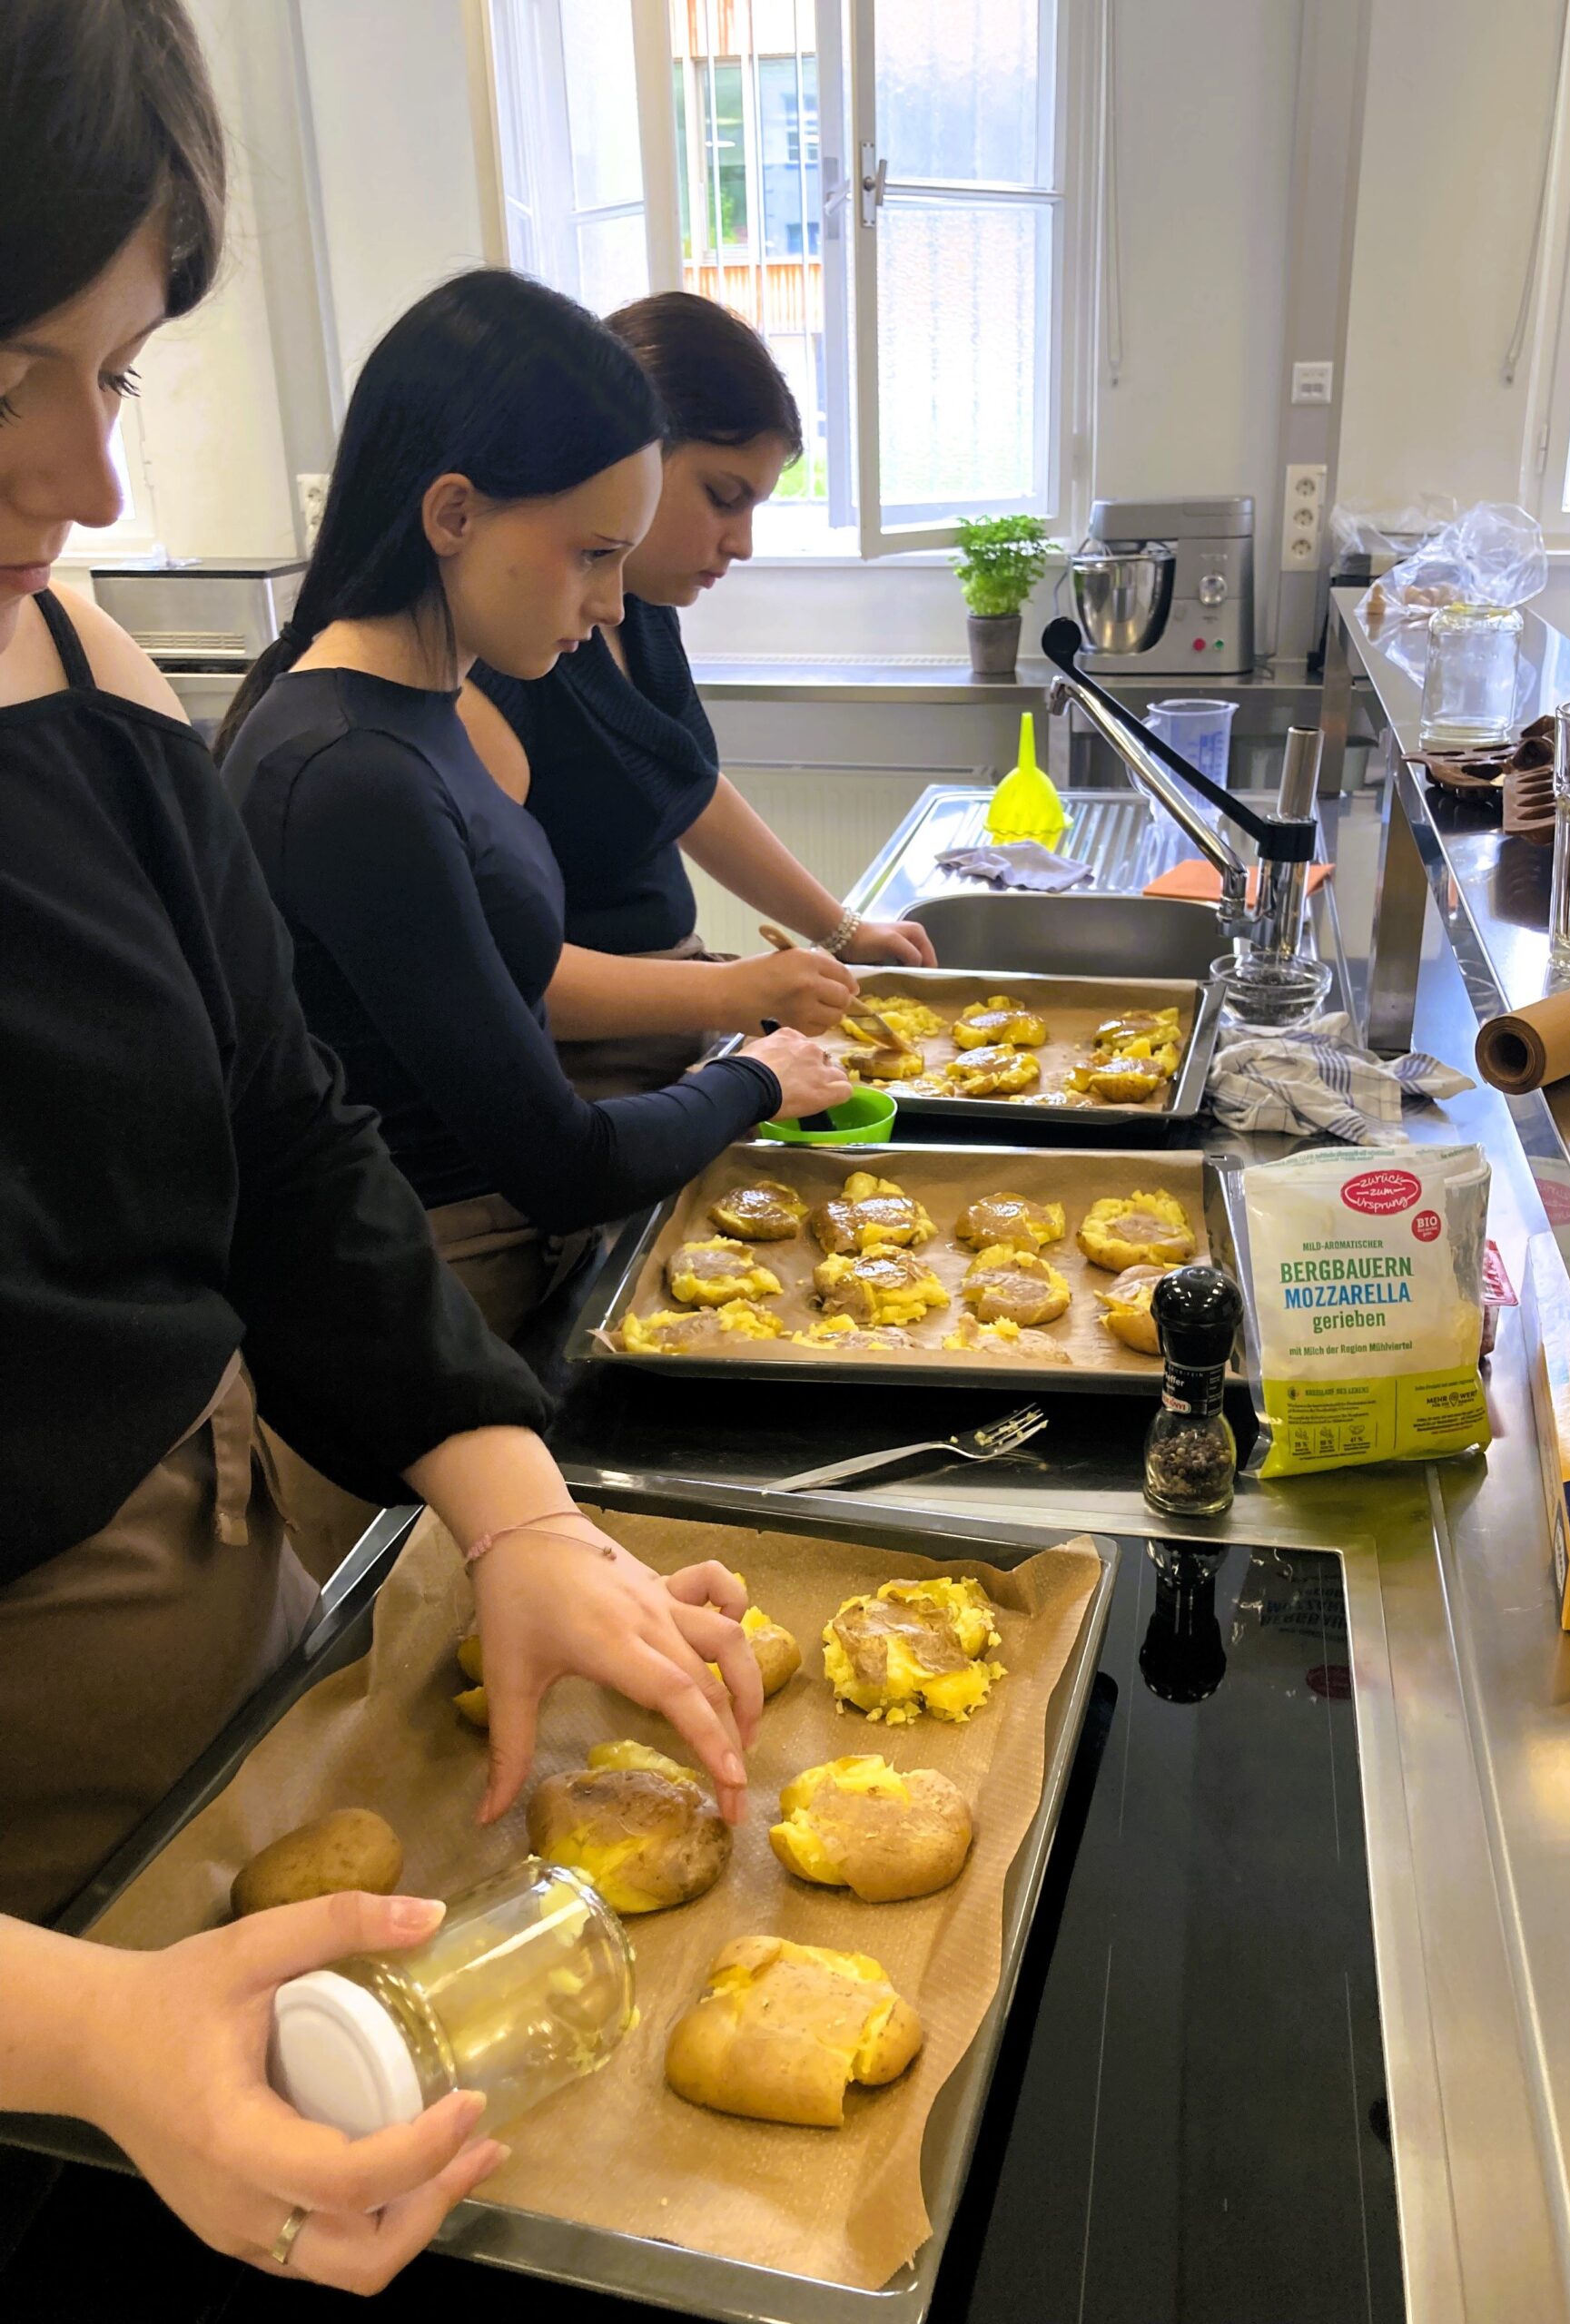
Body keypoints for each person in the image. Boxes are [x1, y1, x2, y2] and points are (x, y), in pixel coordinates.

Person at [0, 2, 762, 2294]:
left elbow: (288, 1142)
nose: (91, 480)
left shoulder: (82, 674)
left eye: (118, 374)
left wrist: (513, 1504)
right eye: (12, 373)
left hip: (242, 1699)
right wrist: (78, 2022)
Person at [218, 271, 849, 1354]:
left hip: (501, 1252)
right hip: (426, 1298)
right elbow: (563, 1162)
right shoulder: (353, 773)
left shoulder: (410, 712)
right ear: (454, 513)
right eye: (592, 554)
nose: (610, 600)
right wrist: (753, 1077)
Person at [458, 290, 936, 1099]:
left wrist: (840, 930)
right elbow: (503, 977)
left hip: (666, 1012)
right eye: (723, 497)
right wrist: (731, 992)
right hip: (575, 1064)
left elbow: (685, 784)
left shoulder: (641, 607)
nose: (741, 544)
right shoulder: (502, 657)